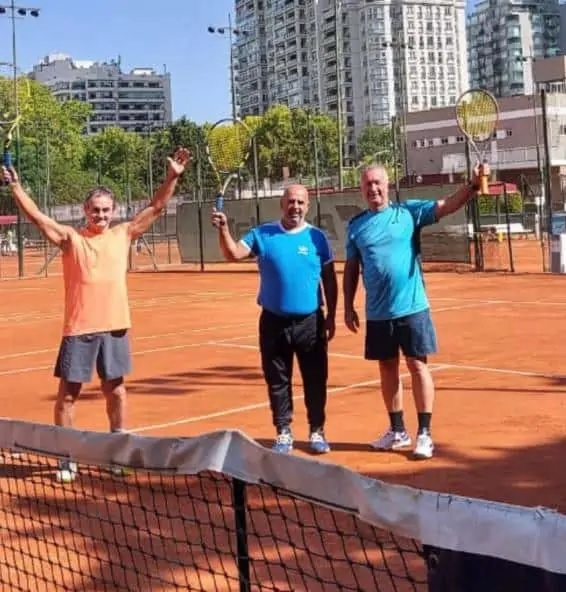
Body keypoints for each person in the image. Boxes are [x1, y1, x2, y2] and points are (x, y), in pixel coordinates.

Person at [1, 147, 191, 481]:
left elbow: (157, 206)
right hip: (79, 329)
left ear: (113, 211)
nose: (99, 215)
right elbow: (38, 218)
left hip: (115, 328)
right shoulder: (71, 239)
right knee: (68, 395)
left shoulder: (123, 233)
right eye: (94, 210)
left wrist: (172, 176)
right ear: (85, 210)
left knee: (116, 390)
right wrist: (16, 188)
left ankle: (117, 453)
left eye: (105, 210)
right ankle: (66, 455)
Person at [343, 163, 484, 460]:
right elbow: (352, 269)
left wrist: (472, 185)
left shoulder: (408, 213)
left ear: (388, 184)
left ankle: (424, 434)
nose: (373, 189)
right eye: (368, 185)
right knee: (387, 368)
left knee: (417, 366)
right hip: (378, 313)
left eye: (378, 183)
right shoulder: (356, 226)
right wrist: (347, 306)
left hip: (412, 308)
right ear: (361, 189)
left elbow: (447, 206)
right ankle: (397, 431)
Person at [211, 184, 338, 455]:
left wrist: (332, 317)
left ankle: (317, 430)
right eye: (291, 201)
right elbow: (233, 254)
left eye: (301, 202)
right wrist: (223, 229)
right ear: (282, 204)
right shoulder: (262, 234)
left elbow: (329, 279)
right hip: (273, 323)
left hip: (311, 323)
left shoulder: (317, 238)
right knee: (278, 381)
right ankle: (283, 432)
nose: (296, 207)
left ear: (308, 206)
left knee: (315, 380)